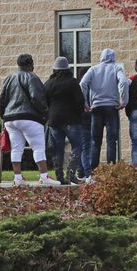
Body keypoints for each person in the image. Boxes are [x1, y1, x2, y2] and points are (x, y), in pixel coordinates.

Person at [0, 54, 61, 186]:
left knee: (16, 148)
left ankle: (18, 178)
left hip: (10, 118)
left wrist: (3, 116)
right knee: (38, 147)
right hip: (29, 117)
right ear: (30, 64)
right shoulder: (32, 77)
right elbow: (36, 98)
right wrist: (45, 114)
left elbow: (1, 99)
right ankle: (44, 176)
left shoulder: (9, 78)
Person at [80, 48, 129, 171]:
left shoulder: (93, 69)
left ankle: (94, 170)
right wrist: (124, 101)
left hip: (96, 108)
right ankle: (110, 170)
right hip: (112, 108)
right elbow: (123, 82)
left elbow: (82, 84)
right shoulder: (117, 68)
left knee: (95, 141)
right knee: (111, 141)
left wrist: (85, 103)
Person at [44, 57, 87, 185]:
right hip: (72, 120)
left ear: (54, 69)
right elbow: (80, 101)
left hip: (54, 120)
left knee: (58, 148)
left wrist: (48, 116)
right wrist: (80, 114)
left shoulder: (48, 84)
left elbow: (44, 102)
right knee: (77, 146)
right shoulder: (73, 83)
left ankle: (59, 176)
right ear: (68, 69)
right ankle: (70, 173)